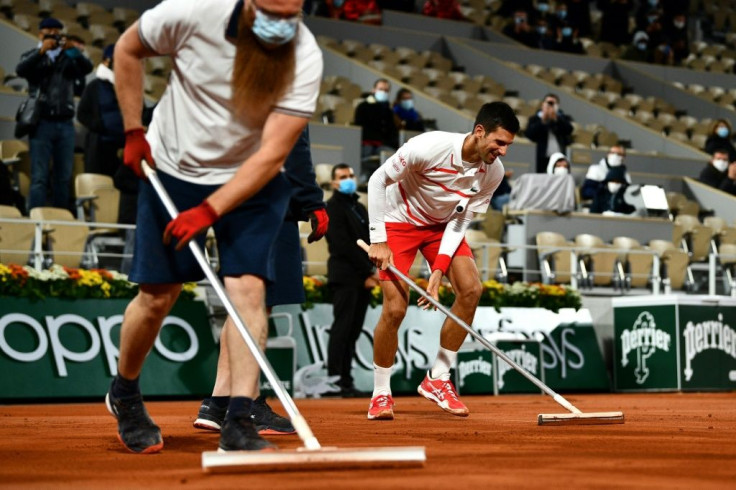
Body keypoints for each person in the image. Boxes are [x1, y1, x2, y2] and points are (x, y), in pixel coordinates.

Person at [105, 0, 322, 455]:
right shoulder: (189, 13)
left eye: (292, 14)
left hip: (252, 177)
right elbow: (127, 49)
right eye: (272, 11)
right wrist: (131, 130)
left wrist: (210, 210)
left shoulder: (305, 55)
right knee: (158, 295)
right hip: (174, 167)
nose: (281, 24)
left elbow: (273, 153)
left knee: (248, 290)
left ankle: (239, 418)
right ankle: (124, 392)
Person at [365, 102, 519, 420]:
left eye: (508, 145)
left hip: (442, 227)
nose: (503, 151)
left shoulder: (493, 172)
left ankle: (438, 378)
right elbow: (377, 181)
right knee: (395, 308)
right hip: (398, 222)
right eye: (499, 142)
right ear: (479, 132)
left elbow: (460, 221)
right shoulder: (428, 146)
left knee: (471, 289)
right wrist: (379, 238)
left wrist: (438, 269)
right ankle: (381, 394)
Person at [193, 128, 329, 434]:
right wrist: (312, 200)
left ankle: (217, 403)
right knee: (256, 305)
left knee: (244, 304)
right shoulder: (287, 85)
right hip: (269, 200)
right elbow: (294, 146)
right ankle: (248, 402)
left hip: (229, 196)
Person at [16, 18, 93, 211]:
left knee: (63, 177)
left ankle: (60, 220)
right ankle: (36, 218)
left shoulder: (67, 59)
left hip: (65, 123)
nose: (53, 36)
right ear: (40, 34)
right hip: (41, 123)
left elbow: (87, 68)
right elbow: (21, 69)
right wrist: (42, 50)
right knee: (39, 177)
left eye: (57, 33)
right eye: (49, 32)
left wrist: (72, 50)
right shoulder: (32, 55)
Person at [325, 163, 378, 397]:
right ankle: (335, 381)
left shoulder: (359, 206)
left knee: (354, 331)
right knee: (342, 329)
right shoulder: (332, 207)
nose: (348, 179)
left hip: (362, 277)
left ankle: (346, 380)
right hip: (345, 276)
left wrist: (370, 270)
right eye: (342, 176)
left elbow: (370, 239)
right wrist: (368, 270)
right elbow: (341, 244)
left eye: (351, 175)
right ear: (334, 182)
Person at [77, 44, 124, 177]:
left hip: (123, 146)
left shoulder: (129, 86)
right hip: (101, 147)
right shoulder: (94, 87)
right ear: (106, 61)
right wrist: (99, 125)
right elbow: (82, 114)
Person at [354, 78, 399, 181]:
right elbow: (360, 128)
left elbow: (392, 131)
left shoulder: (388, 111)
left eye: (386, 90)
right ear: (373, 90)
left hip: (383, 145)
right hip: (366, 145)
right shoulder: (363, 107)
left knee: (394, 156)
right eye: (380, 89)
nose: (383, 92)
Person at [525, 94, 574, 173]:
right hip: (541, 158)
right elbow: (529, 135)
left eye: (553, 103)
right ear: (542, 104)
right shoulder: (534, 119)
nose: (550, 105)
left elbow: (569, 130)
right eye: (549, 103)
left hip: (559, 159)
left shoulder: (562, 118)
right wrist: (543, 120)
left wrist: (555, 118)